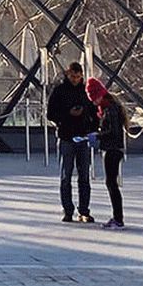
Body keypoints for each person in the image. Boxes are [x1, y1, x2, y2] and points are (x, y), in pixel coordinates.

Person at [46, 62, 98, 222]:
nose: (75, 79)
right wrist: (67, 114)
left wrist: (92, 127)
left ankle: (83, 211)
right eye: (73, 76)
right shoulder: (59, 91)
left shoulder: (86, 91)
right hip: (67, 137)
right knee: (65, 176)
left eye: (78, 76)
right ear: (68, 74)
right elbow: (50, 114)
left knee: (84, 176)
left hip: (82, 137)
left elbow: (95, 112)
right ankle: (68, 210)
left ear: (81, 75)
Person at [86, 77, 127, 229]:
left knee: (111, 183)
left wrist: (97, 135)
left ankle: (118, 218)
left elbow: (113, 131)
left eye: (93, 97)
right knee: (111, 183)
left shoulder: (109, 109)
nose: (92, 101)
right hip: (113, 148)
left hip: (112, 149)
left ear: (99, 94)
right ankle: (117, 217)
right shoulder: (109, 107)